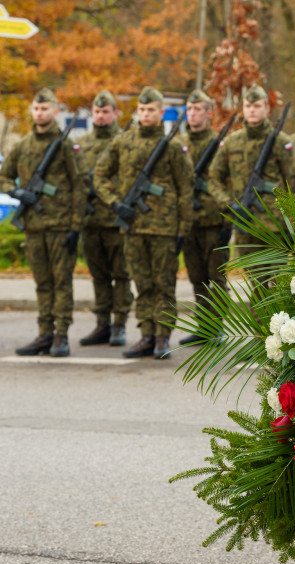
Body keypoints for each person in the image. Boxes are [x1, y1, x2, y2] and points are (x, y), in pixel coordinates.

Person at [95, 86, 194, 360]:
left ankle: (163, 337)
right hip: (133, 227)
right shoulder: (122, 142)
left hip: (164, 228)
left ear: (161, 112)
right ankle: (146, 335)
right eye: (142, 110)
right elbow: (100, 175)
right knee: (142, 284)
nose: (146, 114)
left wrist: (183, 228)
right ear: (137, 112)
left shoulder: (172, 146)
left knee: (163, 285)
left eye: (151, 110)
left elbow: (186, 188)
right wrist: (115, 203)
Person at [2, 88, 83, 357]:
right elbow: (3, 177)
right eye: (36, 109)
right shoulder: (22, 145)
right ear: (31, 111)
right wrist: (16, 192)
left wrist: (76, 226)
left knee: (62, 283)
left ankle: (61, 335)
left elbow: (79, 186)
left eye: (45, 109)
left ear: (55, 112)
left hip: (60, 227)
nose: (40, 113)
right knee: (42, 283)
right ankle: (44, 334)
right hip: (34, 226)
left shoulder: (65, 146)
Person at [76, 90, 132, 348]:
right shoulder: (83, 143)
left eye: (105, 112)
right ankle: (102, 324)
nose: (100, 116)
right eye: (97, 112)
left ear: (115, 114)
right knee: (98, 276)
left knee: (121, 275)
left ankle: (119, 325)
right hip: (90, 222)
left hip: (115, 221)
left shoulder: (125, 142)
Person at [176, 89, 231, 345]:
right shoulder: (180, 143)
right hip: (189, 221)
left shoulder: (219, 144)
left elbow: (226, 181)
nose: (193, 114)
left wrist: (227, 221)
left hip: (213, 221)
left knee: (216, 278)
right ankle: (203, 327)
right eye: (189, 109)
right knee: (196, 277)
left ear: (208, 113)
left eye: (198, 109)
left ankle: (217, 328)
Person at [207, 85, 294, 245]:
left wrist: (293, 225)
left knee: (275, 271)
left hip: (274, 228)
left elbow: (294, 184)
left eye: (257, 106)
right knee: (247, 271)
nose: (252, 110)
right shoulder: (231, 142)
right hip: (243, 226)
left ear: (267, 108)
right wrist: (230, 205)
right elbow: (213, 179)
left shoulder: (281, 141)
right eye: (248, 106)